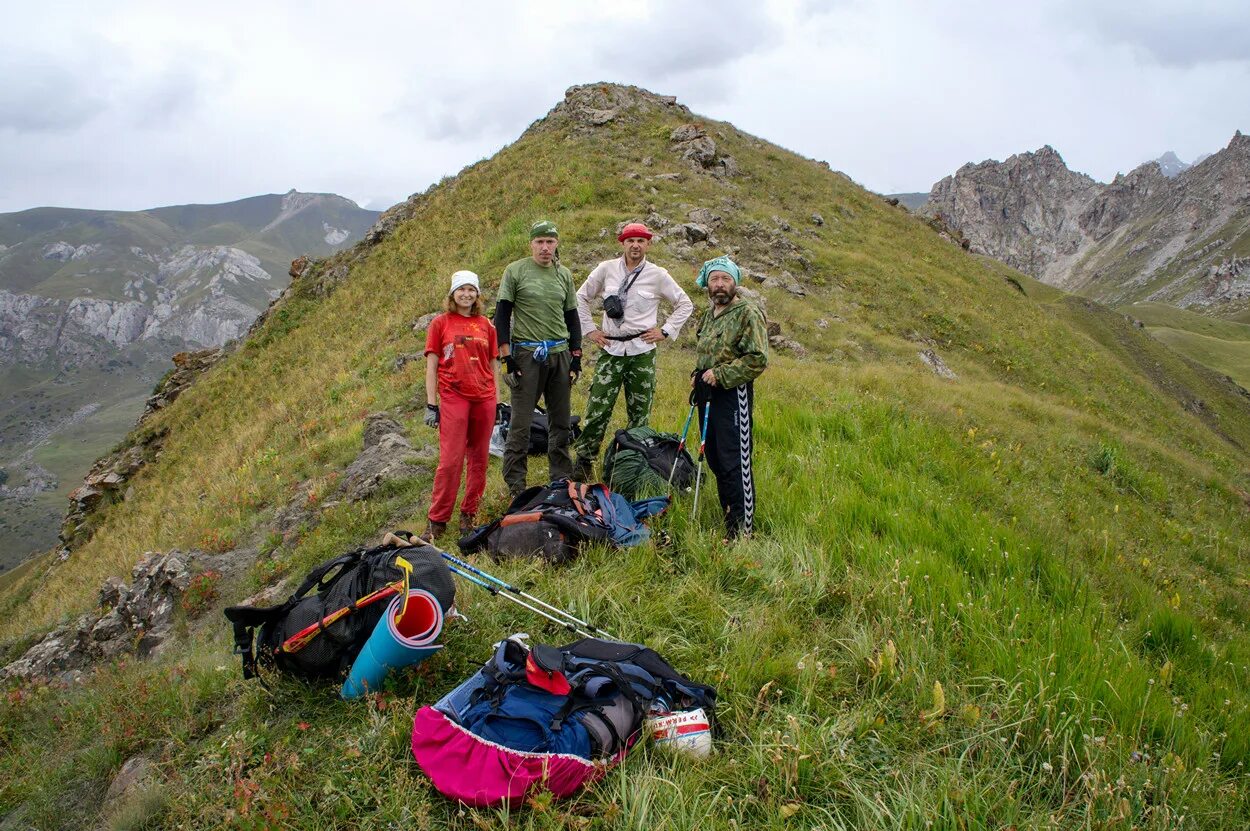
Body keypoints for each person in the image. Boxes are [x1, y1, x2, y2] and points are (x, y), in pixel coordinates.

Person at [573, 221, 693, 480]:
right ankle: (584, 461)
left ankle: (634, 464)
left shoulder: (658, 274)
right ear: (622, 243)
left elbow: (685, 303)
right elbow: (580, 297)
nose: (635, 245)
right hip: (611, 348)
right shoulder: (606, 269)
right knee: (597, 409)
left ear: (648, 244)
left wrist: (666, 331)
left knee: (640, 413)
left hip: (642, 351)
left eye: (641, 240)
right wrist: (590, 330)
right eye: (630, 240)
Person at [494, 220, 582, 497]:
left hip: (559, 354)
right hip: (526, 354)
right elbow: (502, 315)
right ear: (531, 244)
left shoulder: (563, 274)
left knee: (561, 420)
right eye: (540, 242)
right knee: (520, 423)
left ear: (557, 244)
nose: (545, 247)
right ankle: (516, 485)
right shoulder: (516, 271)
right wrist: (507, 357)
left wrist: (576, 356)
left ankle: (561, 478)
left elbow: (572, 316)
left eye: (550, 242)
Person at [690, 255, 768, 541]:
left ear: (735, 282)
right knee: (713, 456)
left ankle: (742, 531)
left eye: (725, 279)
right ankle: (728, 514)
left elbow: (757, 359)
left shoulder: (748, 312)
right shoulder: (708, 312)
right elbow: (707, 350)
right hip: (706, 392)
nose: (720, 284)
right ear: (707, 284)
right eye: (714, 279)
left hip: (733, 394)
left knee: (734, 459)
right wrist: (698, 373)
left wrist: (720, 375)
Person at [421, 270, 499, 541]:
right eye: (461, 289)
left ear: (477, 294)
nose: (466, 294)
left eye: (471, 289)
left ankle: (470, 513)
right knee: (450, 460)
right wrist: (432, 405)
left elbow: (493, 365)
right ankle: (437, 519)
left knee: (479, 458)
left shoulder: (487, 325)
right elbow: (431, 366)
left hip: (485, 398)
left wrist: (498, 402)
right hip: (454, 396)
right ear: (452, 294)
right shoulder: (440, 324)